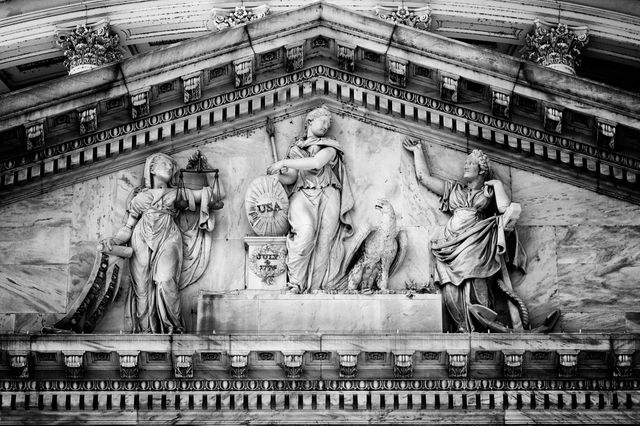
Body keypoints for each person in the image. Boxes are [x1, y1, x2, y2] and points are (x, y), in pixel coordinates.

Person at [403, 138, 521, 332]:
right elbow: (424, 178)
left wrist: (497, 185)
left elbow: (505, 209)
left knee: (476, 283)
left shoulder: (488, 191)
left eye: (470, 163)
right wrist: (417, 151)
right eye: (465, 163)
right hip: (450, 245)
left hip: (477, 241)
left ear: (481, 169)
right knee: (450, 287)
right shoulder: (454, 189)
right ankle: (461, 327)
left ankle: (482, 327)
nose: (465, 166)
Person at [102, 153, 215, 333]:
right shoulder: (140, 198)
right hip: (141, 239)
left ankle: (173, 327)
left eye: (172, 165)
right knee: (142, 291)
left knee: (165, 281)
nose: (170, 167)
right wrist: (114, 240)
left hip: (169, 237)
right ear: (152, 169)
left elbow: (214, 195)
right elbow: (128, 227)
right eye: (165, 163)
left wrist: (206, 169)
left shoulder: (177, 193)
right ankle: (146, 332)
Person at [267, 106, 354, 293]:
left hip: (328, 194)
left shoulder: (330, 146)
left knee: (324, 242)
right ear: (309, 121)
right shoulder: (295, 149)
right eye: (323, 120)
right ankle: (296, 283)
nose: (326, 125)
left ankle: (316, 287)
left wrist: (283, 163)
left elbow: (316, 163)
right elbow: (291, 177)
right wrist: (276, 177)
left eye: (329, 123)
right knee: (305, 232)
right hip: (302, 194)